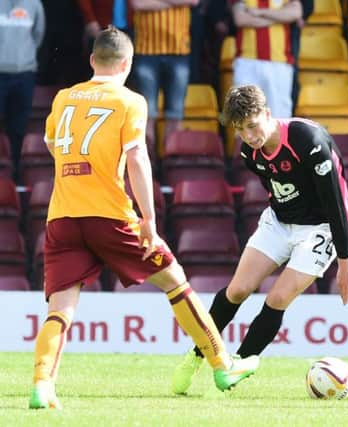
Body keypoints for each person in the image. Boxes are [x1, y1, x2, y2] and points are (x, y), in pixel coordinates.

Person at [28, 27, 258, 410]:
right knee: (174, 280)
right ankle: (222, 364)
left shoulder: (63, 98)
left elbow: (53, 146)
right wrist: (148, 217)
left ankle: (42, 385)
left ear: (91, 60)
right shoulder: (130, 101)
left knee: (61, 308)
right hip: (111, 215)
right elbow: (137, 158)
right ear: (127, 64)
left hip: (63, 216)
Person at [171, 84, 348, 395]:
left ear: (267, 114)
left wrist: (345, 260)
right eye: (241, 130)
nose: (250, 136)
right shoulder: (248, 151)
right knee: (238, 289)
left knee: (278, 298)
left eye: (254, 125)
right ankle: (196, 355)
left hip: (321, 226)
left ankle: (238, 365)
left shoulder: (308, 141)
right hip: (280, 221)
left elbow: (334, 202)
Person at [130, 0, 199, 151]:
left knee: (175, 113)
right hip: (146, 49)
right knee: (147, 114)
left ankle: (170, 159)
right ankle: (149, 163)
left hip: (179, 49)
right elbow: (138, 4)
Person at [231, 0, 303, 118]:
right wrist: (279, 17)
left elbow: (295, 13)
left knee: (279, 118)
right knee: (244, 118)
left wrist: (259, 12)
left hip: (279, 62)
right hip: (246, 61)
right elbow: (240, 19)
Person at [0, 0, 45, 176]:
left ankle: (17, 170)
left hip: (24, 73)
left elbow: (38, 35)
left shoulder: (34, 4)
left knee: (18, 126)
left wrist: (24, 56)